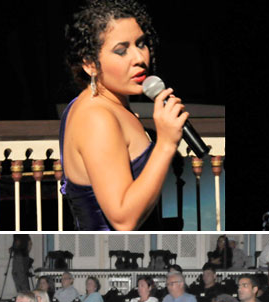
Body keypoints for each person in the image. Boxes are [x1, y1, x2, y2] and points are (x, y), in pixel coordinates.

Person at [60, 0, 188, 230]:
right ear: (90, 64)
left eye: (141, 44)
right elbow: (123, 219)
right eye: (121, 51)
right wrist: (166, 144)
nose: (139, 58)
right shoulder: (96, 117)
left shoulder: (110, 106)